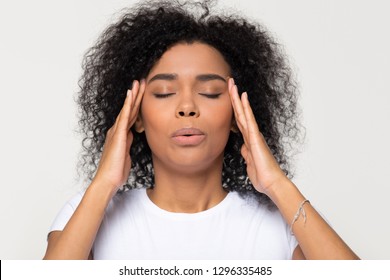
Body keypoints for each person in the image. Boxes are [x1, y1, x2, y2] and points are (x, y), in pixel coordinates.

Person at [43, 0, 359, 260]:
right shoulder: (88, 213)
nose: (187, 107)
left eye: (210, 92)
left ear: (238, 114)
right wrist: (104, 182)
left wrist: (276, 183)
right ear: (135, 116)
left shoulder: (284, 221)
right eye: (164, 92)